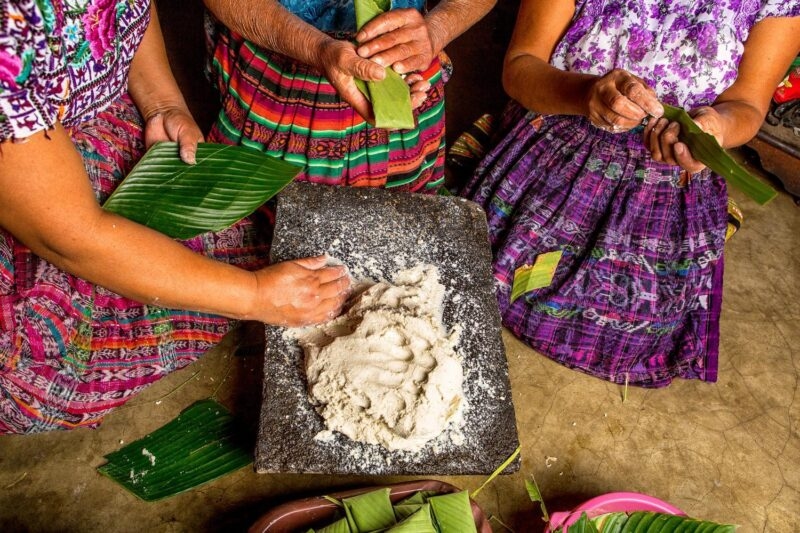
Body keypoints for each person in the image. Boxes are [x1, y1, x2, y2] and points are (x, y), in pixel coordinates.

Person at [0, 1, 352, 434]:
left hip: (80, 118)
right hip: (30, 173)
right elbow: (69, 236)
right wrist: (256, 296)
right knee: (43, 367)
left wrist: (162, 104)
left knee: (230, 249)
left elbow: (120, 11)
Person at [461, 0, 800, 387]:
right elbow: (521, 66)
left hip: (668, 177)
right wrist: (585, 94)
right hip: (560, 142)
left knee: (629, 336)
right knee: (484, 274)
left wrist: (716, 130)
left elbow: (747, 105)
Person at [202, 0, 496, 192]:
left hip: (404, 65)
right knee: (263, 208)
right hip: (274, 59)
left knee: (396, 226)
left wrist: (434, 31)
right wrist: (315, 48)